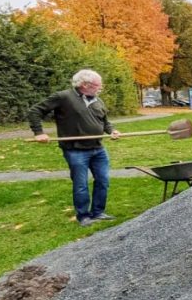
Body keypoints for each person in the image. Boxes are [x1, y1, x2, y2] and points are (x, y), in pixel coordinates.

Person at [27, 69, 122, 227]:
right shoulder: (64, 97)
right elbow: (35, 111)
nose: (100, 88)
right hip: (75, 150)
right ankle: (83, 216)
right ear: (85, 85)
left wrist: (112, 131)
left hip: (98, 149)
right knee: (81, 184)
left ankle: (98, 212)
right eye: (97, 85)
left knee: (103, 181)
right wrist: (38, 132)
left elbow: (104, 121)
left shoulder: (98, 100)